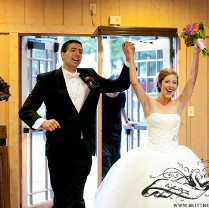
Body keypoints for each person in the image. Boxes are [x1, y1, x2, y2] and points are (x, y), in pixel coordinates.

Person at [94, 40, 209, 207]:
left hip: (177, 159)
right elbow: (135, 83)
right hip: (150, 159)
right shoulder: (148, 102)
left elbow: (192, 81)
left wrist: (196, 53)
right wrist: (130, 58)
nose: (171, 86)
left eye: (174, 83)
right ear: (160, 84)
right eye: (167, 82)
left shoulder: (179, 103)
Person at [19, 39, 134, 208]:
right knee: (61, 196)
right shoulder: (47, 79)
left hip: (83, 148)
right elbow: (25, 110)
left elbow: (120, 84)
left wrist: (128, 59)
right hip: (59, 148)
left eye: (80, 51)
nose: (77, 54)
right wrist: (42, 122)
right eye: (73, 50)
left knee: (76, 195)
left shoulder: (90, 75)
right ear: (63, 54)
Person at [101, 73, 136, 179]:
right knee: (105, 166)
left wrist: (127, 121)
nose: (116, 91)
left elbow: (122, 109)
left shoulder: (121, 95)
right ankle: (104, 192)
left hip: (116, 134)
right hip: (102, 135)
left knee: (115, 166)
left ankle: (112, 193)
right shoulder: (101, 96)